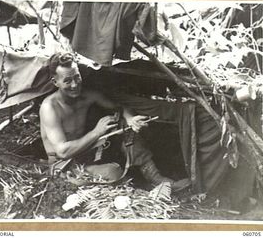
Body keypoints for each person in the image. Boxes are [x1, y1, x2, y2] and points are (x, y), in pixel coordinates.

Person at [39, 52, 190, 190]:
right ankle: (137, 187)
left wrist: (130, 119)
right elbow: (63, 151)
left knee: (126, 126)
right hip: (65, 165)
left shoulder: (87, 95)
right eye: (67, 81)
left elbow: (120, 107)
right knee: (114, 172)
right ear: (55, 82)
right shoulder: (50, 108)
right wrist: (97, 132)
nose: (75, 84)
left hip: (86, 152)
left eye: (77, 77)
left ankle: (155, 178)